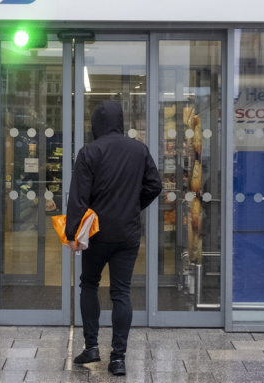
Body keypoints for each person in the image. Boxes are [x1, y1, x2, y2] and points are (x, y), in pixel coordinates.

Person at [66, 100, 162, 376]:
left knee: (89, 284)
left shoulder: (89, 152)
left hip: (96, 233)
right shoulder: (139, 149)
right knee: (121, 293)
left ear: (95, 123)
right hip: (127, 233)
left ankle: (91, 347)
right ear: (120, 121)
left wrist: (72, 233)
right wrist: (134, 205)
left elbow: (78, 197)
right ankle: (118, 358)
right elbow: (154, 185)